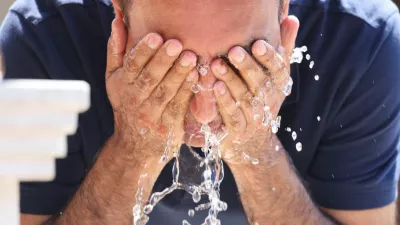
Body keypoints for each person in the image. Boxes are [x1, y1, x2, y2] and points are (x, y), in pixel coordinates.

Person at [1, 0, 399, 224]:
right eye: (173, 68)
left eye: (238, 66)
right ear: (119, 20)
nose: (206, 112)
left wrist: (257, 149)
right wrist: (132, 148)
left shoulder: (364, 47)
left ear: (283, 18)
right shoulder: (43, 38)